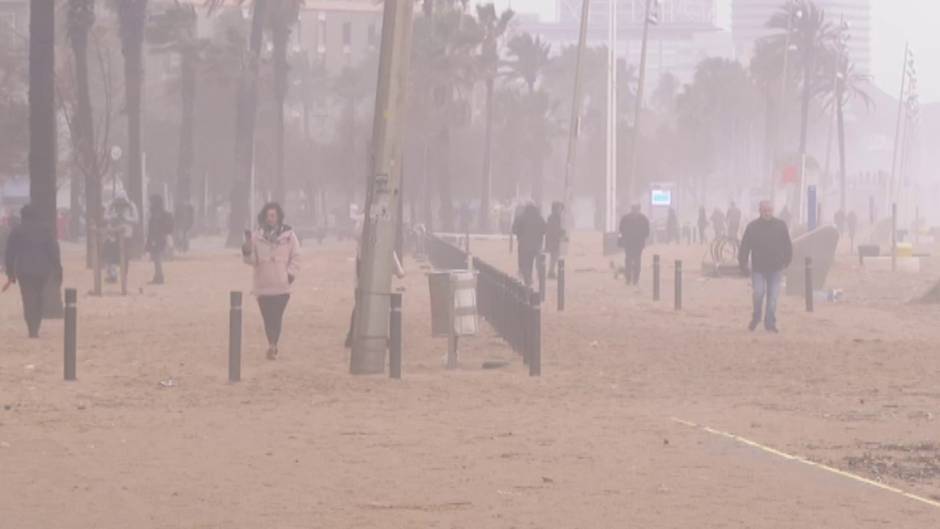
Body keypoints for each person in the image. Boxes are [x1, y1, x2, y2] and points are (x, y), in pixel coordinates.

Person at [242, 202, 302, 360]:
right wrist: (247, 248)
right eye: (268, 215)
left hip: (282, 286)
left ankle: (273, 344)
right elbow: (252, 261)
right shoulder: (256, 236)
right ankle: (272, 344)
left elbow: (296, 256)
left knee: (277, 316)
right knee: (267, 318)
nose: (271, 218)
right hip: (263, 285)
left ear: (279, 217)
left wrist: (290, 275)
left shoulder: (289, 236)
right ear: (264, 216)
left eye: (274, 215)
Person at [3, 204, 63, 338]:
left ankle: (32, 328)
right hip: (43, 270)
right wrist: (57, 267)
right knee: (39, 297)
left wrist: (10, 272)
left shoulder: (17, 230)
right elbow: (53, 250)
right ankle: (36, 325)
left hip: (24, 270)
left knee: (28, 298)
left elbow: (10, 253)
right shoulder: (45, 230)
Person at [739, 200, 793, 333]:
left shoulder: (781, 225)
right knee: (758, 293)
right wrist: (743, 263)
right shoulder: (752, 227)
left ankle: (770, 323)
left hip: (776, 268)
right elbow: (745, 246)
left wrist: (787, 260)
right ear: (760, 211)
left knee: (773, 297)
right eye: (764, 210)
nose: (767, 213)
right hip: (758, 268)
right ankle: (756, 317)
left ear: (773, 211)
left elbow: (787, 245)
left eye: (769, 210)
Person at [103, 192, 139, 283]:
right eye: (118, 203)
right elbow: (105, 217)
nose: (120, 206)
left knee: (125, 256)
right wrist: (113, 215)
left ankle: (124, 276)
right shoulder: (112, 205)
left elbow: (136, 220)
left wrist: (125, 218)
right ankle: (112, 274)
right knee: (109, 254)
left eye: (122, 203)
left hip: (126, 235)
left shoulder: (131, 206)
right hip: (113, 234)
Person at [512, 203, 545, 287]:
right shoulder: (539, 218)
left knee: (525, 263)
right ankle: (532, 278)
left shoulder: (521, 217)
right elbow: (545, 229)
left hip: (524, 244)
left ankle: (527, 279)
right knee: (532, 262)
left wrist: (520, 234)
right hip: (536, 245)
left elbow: (514, 229)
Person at [618, 205, 650, 286]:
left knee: (628, 260)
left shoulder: (625, 218)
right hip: (638, 243)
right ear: (639, 209)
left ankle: (628, 278)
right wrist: (641, 237)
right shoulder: (643, 218)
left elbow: (621, 229)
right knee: (637, 260)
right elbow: (647, 232)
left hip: (628, 243)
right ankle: (636, 279)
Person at [145, 195, 174, 285]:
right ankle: (157, 276)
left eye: (151, 201)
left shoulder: (159, 214)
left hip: (159, 238)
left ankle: (159, 277)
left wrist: (151, 240)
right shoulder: (158, 213)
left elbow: (156, 228)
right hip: (157, 238)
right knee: (156, 258)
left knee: (157, 258)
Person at [545, 202, 566, 279]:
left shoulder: (554, 217)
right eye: (559, 208)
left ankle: (551, 271)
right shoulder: (555, 217)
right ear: (556, 209)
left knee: (554, 257)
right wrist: (561, 232)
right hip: (553, 240)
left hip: (553, 239)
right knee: (554, 257)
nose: (561, 210)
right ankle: (551, 272)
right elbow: (554, 230)